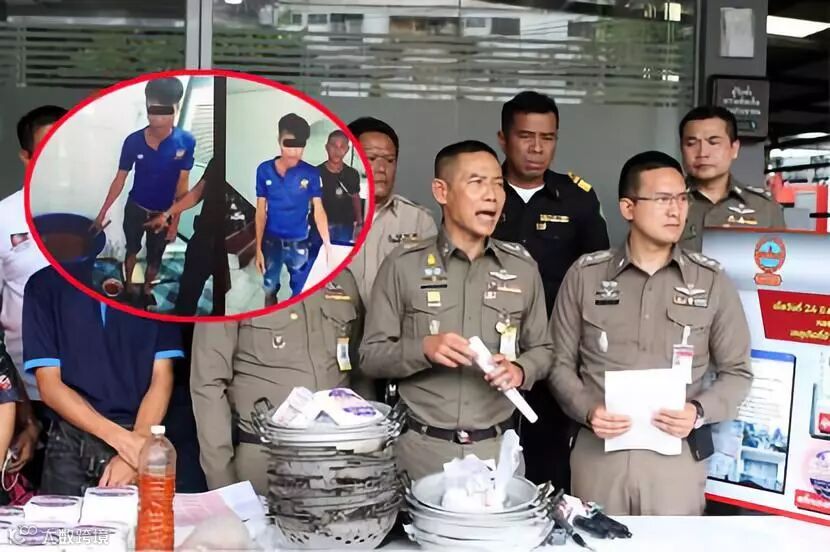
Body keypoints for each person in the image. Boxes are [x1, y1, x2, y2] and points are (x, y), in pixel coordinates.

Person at [548, 151, 753, 515]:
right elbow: (557, 362)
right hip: (599, 456)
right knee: (596, 539)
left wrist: (698, 411)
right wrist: (587, 409)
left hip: (676, 461)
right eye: (662, 199)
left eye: (682, 198)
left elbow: (737, 372)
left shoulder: (710, 280)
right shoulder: (585, 276)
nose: (676, 210)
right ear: (628, 208)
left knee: (672, 542)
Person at [360, 140, 553, 481]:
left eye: (498, 184)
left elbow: (544, 350)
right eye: (477, 182)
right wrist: (423, 348)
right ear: (442, 191)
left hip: (496, 452)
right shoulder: (403, 265)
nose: (492, 195)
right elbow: (370, 356)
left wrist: (521, 370)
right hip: (421, 452)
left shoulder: (521, 268)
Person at [492, 90, 609, 490]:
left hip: (557, 354)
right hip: (492, 357)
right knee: (489, 461)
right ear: (503, 138)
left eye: (548, 137)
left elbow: (599, 277)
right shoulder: (483, 192)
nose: (537, 148)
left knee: (550, 463)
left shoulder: (577, 198)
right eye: (526, 136)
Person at [190, 269, 365, 495]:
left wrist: (367, 454)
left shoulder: (340, 277)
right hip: (265, 462)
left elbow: (358, 369)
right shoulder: (229, 280)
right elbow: (208, 384)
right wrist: (223, 486)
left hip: (340, 462)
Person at [22, 266, 182, 494]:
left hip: (140, 430)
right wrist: (128, 444)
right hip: (71, 441)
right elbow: (49, 386)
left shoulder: (157, 285)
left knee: (146, 517)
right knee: (63, 518)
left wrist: (137, 448)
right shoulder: (44, 284)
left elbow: (162, 377)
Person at [0, 105, 67, 490]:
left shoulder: (104, 213)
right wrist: (20, 410)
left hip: (94, 396)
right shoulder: (5, 218)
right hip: (27, 394)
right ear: (26, 157)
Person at [93, 77, 196, 307]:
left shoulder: (186, 141)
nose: (157, 117)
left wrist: (175, 221)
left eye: (165, 110)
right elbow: (119, 179)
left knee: (155, 258)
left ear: (176, 108)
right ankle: (129, 285)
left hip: (164, 213)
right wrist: (102, 213)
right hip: (136, 209)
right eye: (153, 108)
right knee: (131, 250)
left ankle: (148, 289)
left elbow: (183, 185)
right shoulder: (133, 141)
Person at [346, 117, 437, 305]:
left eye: (389, 160)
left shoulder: (418, 220)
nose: (381, 169)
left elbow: (431, 289)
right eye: (371, 159)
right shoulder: (320, 217)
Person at [679, 105, 786, 252]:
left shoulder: (764, 207)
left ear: (734, 148)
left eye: (713, 142)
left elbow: (780, 261)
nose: (703, 153)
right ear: (681, 149)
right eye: (691, 144)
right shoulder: (664, 202)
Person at [255, 113, 332, 306]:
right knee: (269, 287)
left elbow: (319, 210)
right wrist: (258, 248)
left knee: (300, 290)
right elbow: (260, 211)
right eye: (288, 144)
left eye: (300, 145)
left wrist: (328, 245)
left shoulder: (311, 173)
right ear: (279, 140)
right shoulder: (264, 170)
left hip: (299, 241)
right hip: (271, 241)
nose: (294, 152)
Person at [146, 157, 230, 316]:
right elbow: (197, 193)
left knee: (224, 295)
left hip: (230, 244)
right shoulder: (218, 160)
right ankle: (181, 315)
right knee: (190, 281)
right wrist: (167, 214)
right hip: (205, 235)